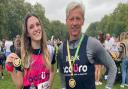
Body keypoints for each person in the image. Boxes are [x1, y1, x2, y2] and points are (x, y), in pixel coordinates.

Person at [57, 1, 117, 89]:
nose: (74, 23)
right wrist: (63, 87)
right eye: (71, 19)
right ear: (66, 21)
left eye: (78, 18)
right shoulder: (61, 49)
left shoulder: (93, 44)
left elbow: (112, 66)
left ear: (83, 21)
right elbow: (62, 72)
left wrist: (108, 87)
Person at [5, 13, 55, 89]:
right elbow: (20, 84)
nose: (36, 29)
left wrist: (49, 86)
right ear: (27, 33)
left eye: (38, 24)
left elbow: (52, 71)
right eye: (31, 27)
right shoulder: (20, 53)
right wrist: (11, 69)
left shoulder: (50, 50)